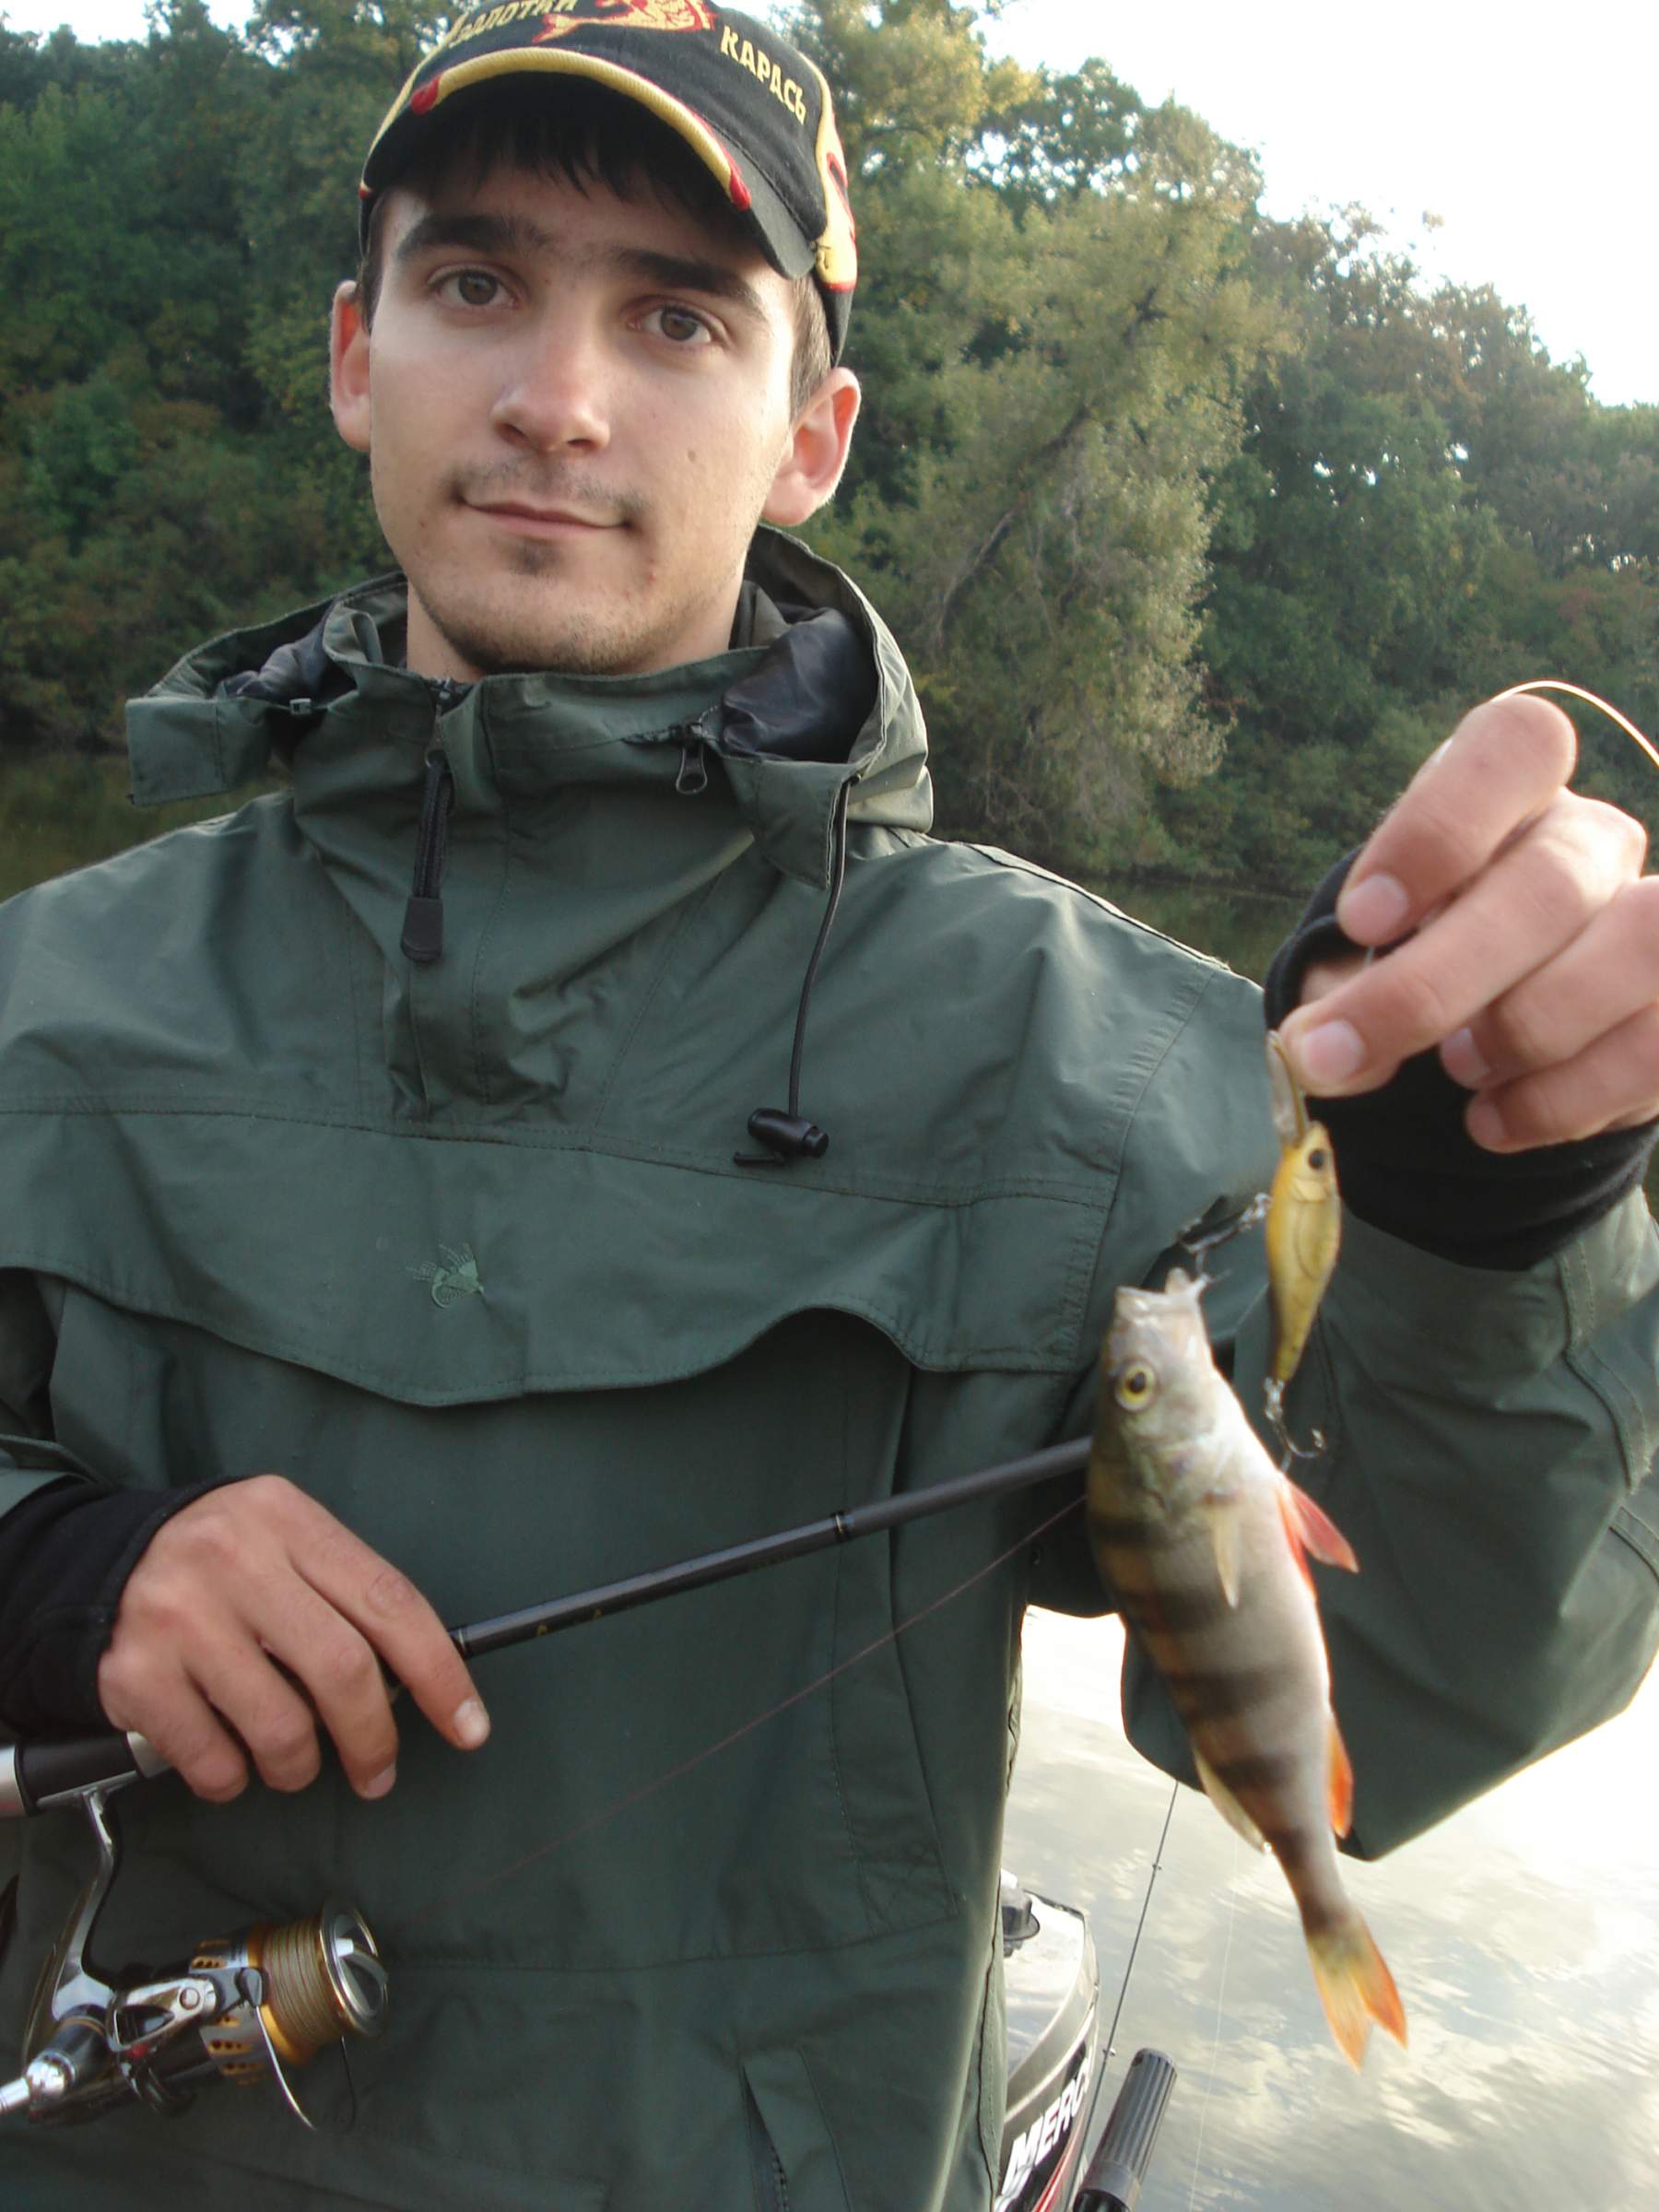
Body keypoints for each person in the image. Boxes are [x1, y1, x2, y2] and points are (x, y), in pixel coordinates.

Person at [1, 8, 1656, 2207]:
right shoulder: (42, 1003)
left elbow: (1403, 1688)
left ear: (812, 434)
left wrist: (1493, 1220)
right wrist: (52, 1569)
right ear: (354, 354)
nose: (558, 398)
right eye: (476, 281)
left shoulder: (1085, 1055)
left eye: (677, 318)